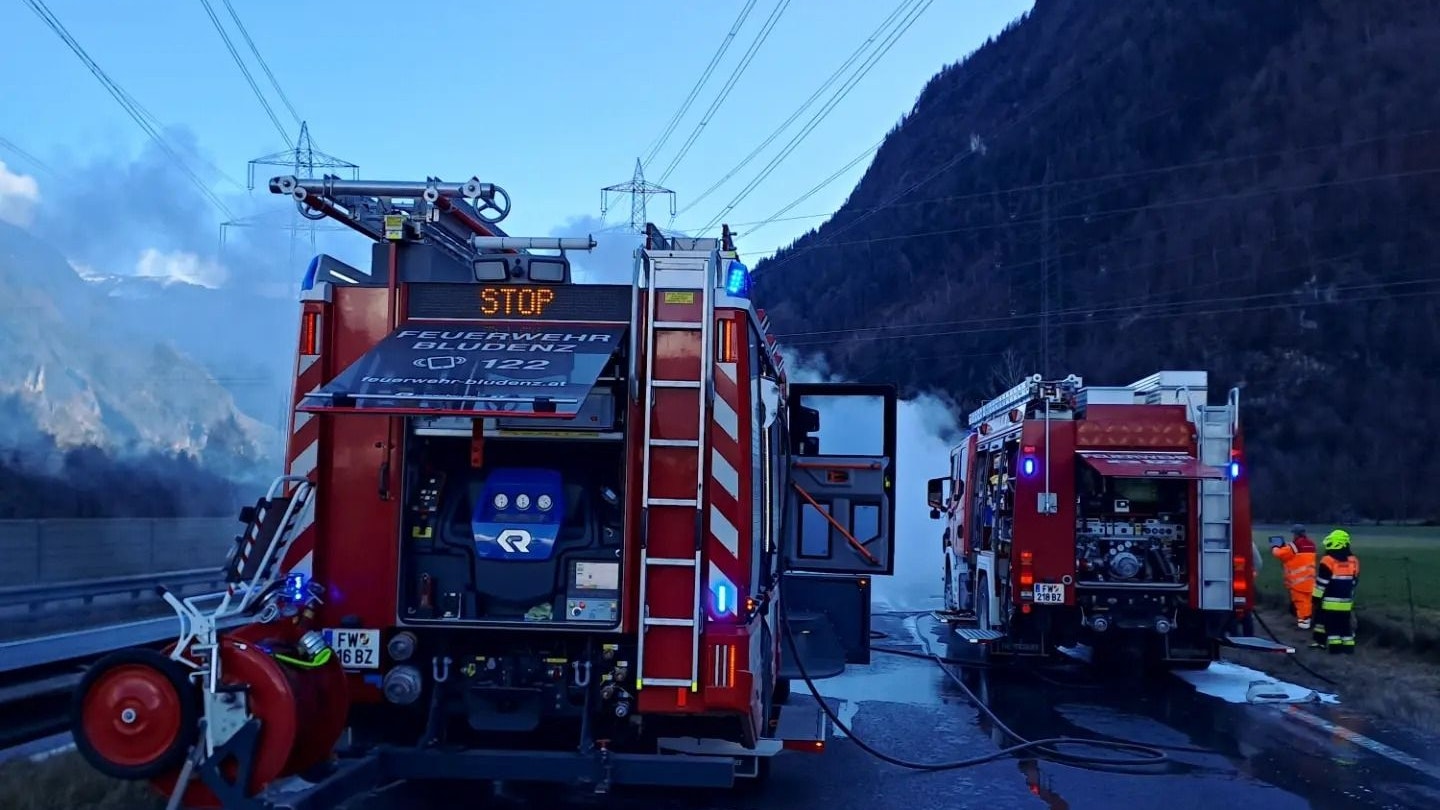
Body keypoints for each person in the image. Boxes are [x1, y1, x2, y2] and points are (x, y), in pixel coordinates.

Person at [1310, 529, 1359, 654]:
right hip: (1346, 601)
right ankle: (1349, 648)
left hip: (1330, 602)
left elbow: (1322, 583)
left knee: (1332, 627)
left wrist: (1315, 598)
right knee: (1345, 626)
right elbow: (1354, 581)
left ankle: (1335, 649)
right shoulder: (1353, 560)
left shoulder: (1328, 560)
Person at [1270, 524, 1317, 629]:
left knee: (1300, 602)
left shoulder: (1294, 546)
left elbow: (1279, 554)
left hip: (1297, 581)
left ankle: (1303, 624)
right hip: (1310, 580)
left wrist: (1275, 546)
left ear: (1296, 534)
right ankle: (1308, 620)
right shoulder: (1311, 545)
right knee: (1308, 602)